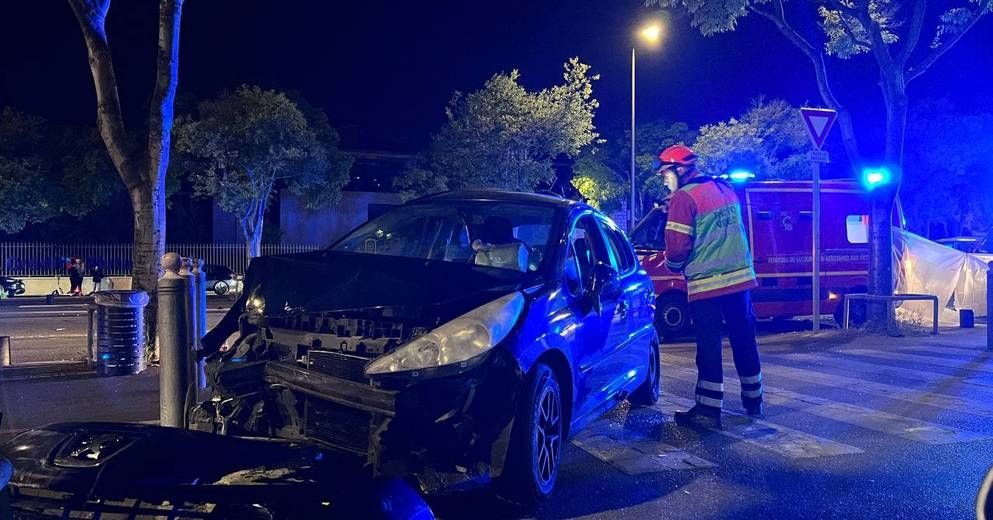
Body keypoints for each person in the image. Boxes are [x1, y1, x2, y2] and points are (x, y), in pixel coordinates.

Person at [657, 144, 764, 430]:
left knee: (708, 347)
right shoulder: (724, 188)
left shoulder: (683, 198)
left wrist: (673, 267)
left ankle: (708, 411)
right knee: (744, 340)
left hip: (707, 284)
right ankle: (753, 400)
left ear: (680, 170)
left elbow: (677, 248)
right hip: (740, 280)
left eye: (666, 174)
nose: (664, 180)